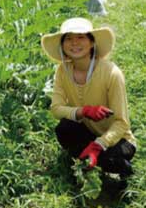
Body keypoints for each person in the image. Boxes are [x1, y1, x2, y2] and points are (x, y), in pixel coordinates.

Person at [41, 17, 136, 180]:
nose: (74, 43)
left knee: (111, 160)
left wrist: (99, 144)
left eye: (80, 37)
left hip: (118, 138)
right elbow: (56, 109)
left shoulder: (112, 73)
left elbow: (122, 123)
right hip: (89, 131)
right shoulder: (62, 71)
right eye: (68, 39)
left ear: (92, 43)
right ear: (62, 46)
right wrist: (83, 111)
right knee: (63, 128)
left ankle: (118, 172)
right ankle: (89, 160)